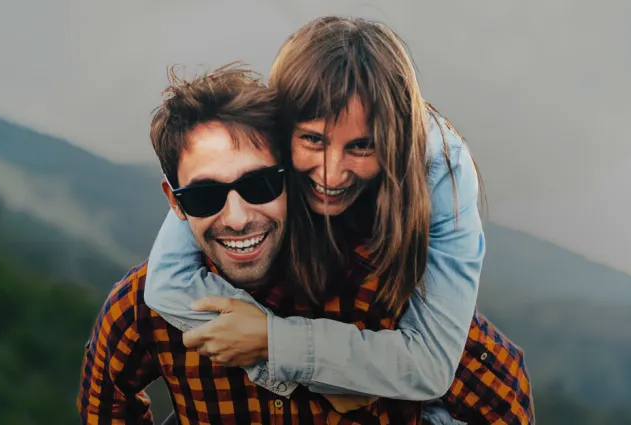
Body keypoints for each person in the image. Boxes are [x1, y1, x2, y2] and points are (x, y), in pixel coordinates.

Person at [78, 64, 531, 424]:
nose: (236, 218)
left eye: (258, 185)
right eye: (204, 195)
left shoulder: (378, 287)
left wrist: (288, 348)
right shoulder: (142, 308)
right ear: (174, 203)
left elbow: (500, 399)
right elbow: (106, 406)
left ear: (293, 177)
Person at [143, 16, 494, 421]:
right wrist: (305, 377)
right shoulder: (258, 138)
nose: (331, 175)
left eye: (362, 146)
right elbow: (168, 280)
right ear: (279, 126)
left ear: (395, 139)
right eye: (312, 139)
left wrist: (272, 342)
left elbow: (431, 365)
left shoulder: (440, 169)